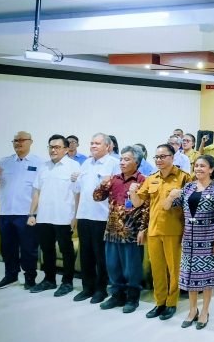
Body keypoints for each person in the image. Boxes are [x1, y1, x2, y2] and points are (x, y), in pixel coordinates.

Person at [164, 155, 214, 329]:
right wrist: (170, 196)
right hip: (189, 239)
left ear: (211, 169)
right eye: (196, 165)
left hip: (208, 238)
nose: (198, 168)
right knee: (190, 276)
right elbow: (167, 207)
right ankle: (192, 310)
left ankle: (205, 311)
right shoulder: (188, 187)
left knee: (206, 276)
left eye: (203, 166)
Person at [131, 143, 192, 321]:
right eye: (157, 157)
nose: (159, 160)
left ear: (172, 157)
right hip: (154, 230)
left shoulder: (184, 177)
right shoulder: (151, 178)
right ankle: (160, 302)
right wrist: (132, 192)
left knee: (173, 269)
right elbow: (138, 203)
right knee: (157, 269)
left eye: (163, 156)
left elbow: (191, 204)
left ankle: (171, 303)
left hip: (174, 230)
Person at [92, 146, 148, 313]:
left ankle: (132, 297)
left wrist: (143, 229)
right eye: (121, 159)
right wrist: (102, 185)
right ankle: (117, 295)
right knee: (113, 265)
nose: (122, 162)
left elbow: (146, 207)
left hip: (131, 231)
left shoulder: (143, 180)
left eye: (126, 159)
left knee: (132, 268)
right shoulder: (113, 179)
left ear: (136, 162)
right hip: (112, 230)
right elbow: (97, 197)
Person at [0, 131, 42, 289]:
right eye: (15, 140)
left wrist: (34, 213)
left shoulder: (39, 162)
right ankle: (10, 276)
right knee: (7, 247)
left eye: (22, 140)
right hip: (5, 213)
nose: (18, 143)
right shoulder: (5, 162)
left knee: (28, 248)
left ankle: (30, 278)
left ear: (30, 142)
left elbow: (41, 189)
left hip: (26, 213)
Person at [28, 135, 81, 297]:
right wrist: (32, 214)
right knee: (47, 249)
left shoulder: (74, 166)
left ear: (66, 149)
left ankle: (67, 282)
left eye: (57, 147)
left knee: (66, 250)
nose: (53, 150)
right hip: (44, 216)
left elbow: (77, 193)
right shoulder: (43, 167)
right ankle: (49, 280)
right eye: (51, 147)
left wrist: (76, 216)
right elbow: (37, 192)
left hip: (64, 217)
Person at [72, 133, 120, 304]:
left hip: (102, 216)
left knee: (101, 256)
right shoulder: (86, 163)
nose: (93, 146)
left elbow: (118, 192)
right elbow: (79, 190)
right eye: (92, 143)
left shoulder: (113, 163)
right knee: (86, 255)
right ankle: (87, 288)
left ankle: (101, 289)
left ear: (108, 146)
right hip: (84, 214)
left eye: (97, 143)